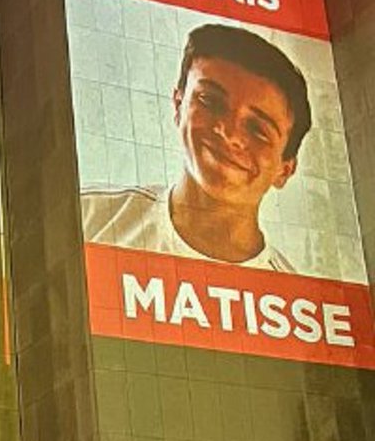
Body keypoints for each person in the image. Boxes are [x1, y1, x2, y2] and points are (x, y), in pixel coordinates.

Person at [83, 23, 310, 272]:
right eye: (209, 101)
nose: (229, 133)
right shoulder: (86, 217)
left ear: (285, 170)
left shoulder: (291, 298)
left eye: (257, 129)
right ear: (178, 105)